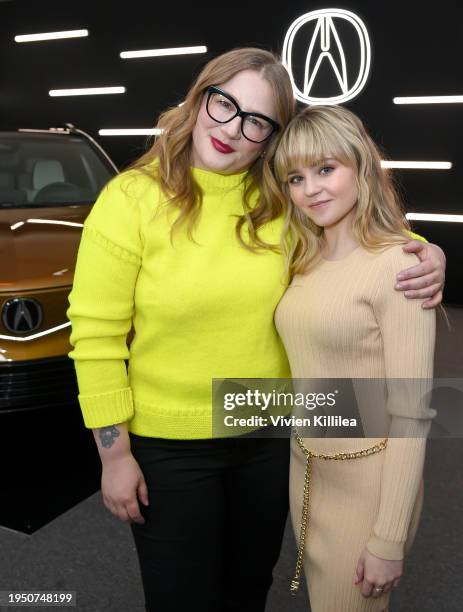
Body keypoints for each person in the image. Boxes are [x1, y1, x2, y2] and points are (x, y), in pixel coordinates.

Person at [66, 48, 445, 612]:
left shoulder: (278, 203)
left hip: (267, 432)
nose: (231, 129)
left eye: (256, 122)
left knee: (246, 592)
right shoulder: (131, 199)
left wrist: (423, 252)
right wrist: (113, 456)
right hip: (171, 443)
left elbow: (352, 239)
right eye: (224, 105)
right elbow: (94, 336)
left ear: (270, 138)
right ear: (200, 99)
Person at [274, 104, 438, 611]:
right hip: (308, 473)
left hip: (369, 489)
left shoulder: (400, 264)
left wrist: (388, 537)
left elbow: (412, 414)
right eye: (296, 177)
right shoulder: (301, 258)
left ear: (360, 166)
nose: (311, 189)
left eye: (326, 169)